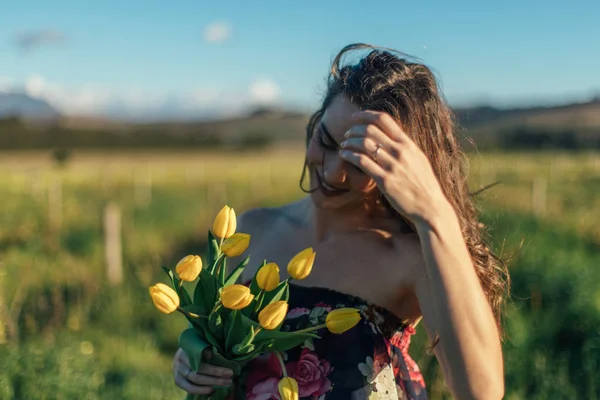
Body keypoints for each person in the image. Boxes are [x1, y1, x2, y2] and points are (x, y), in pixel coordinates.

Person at [172, 43, 509, 399]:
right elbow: (222, 342)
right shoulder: (252, 230)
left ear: (402, 169)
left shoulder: (413, 256)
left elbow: (481, 392)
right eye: (327, 141)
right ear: (314, 123)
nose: (333, 173)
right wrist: (195, 358)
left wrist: (435, 215)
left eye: (360, 162)